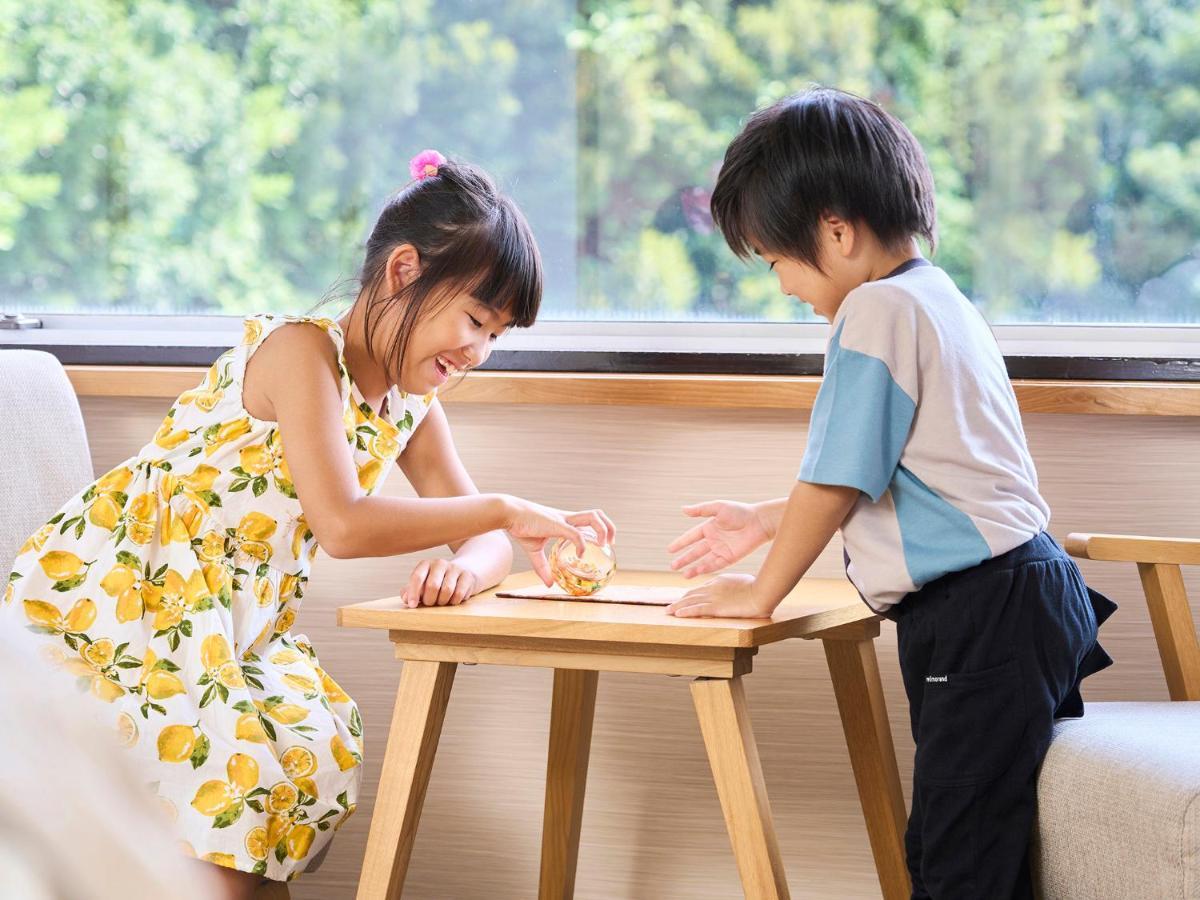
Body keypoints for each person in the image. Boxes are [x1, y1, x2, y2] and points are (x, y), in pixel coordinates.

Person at [1, 149, 614, 898]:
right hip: (131, 595)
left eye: (497, 335)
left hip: (235, 620)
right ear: (402, 272)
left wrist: (473, 563)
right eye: (475, 320)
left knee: (311, 749)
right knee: (242, 772)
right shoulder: (301, 352)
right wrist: (508, 510)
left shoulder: (412, 410)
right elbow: (344, 524)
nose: (479, 351)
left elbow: (484, 543)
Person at [665, 89, 1113, 899]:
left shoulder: (873, 312)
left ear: (835, 231)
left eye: (775, 261)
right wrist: (766, 523)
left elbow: (837, 477)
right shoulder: (935, 299)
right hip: (1025, 593)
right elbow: (903, 471)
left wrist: (764, 592)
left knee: (956, 858)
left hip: (983, 611)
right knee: (981, 835)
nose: (782, 286)